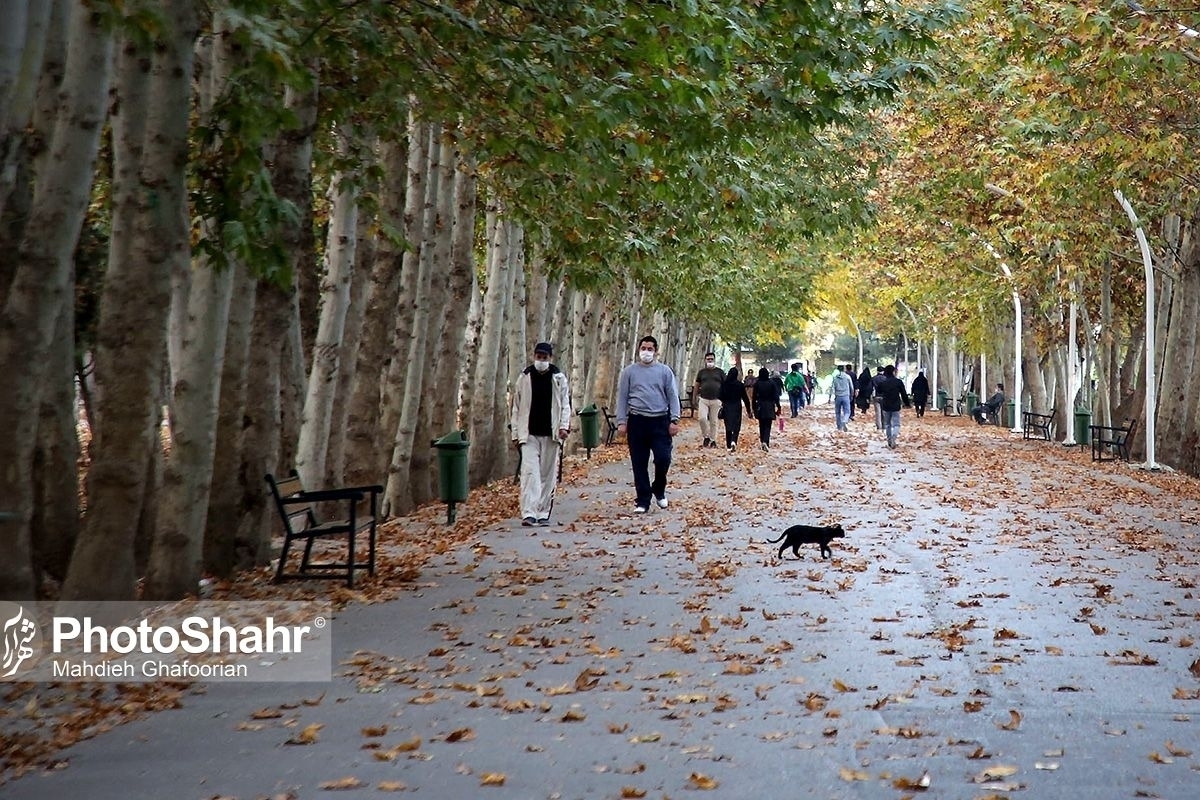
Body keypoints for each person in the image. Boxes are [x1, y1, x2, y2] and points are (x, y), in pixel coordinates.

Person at [616, 336, 681, 513]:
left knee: (663, 458)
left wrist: (674, 419)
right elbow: (622, 397)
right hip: (637, 421)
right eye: (643, 348)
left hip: (660, 421)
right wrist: (621, 422)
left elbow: (672, 396)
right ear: (638, 350)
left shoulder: (664, 371)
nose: (646, 352)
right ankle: (643, 500)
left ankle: (659, 488)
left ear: (656, 351)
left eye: (650, 349)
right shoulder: (629, 372)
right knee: (639, 463)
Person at [510, 342, 571, 526]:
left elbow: (565, 404)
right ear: (534, 356)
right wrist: (515, 433)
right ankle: (528, 512)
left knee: (547, 474)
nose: (541, 361)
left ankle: (543, 512)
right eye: (538, 357)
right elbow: (516, 407)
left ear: (550, 358)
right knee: (530, 473)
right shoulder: (525, 377)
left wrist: (564, 426)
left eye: (544, 358)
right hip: (529, 434)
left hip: (551, 434)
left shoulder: (558, 378)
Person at [692, 352, 725, 449]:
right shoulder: (702, 372)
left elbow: (725, 385)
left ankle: (713, 439)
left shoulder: (720, 372)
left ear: (714, 360)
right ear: (705, 360)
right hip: (703, 399)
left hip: (716, 399)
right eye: (708, 359)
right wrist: (694, 398)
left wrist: (724, 399)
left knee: (714, 421)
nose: (710, 361)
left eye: (711, 359)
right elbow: (697, 385)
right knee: (702, 418)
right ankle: (706, 436)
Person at [875, 364, 911, 449]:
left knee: (887, 424)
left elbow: (878, 390)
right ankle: (894, 437)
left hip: (886, 404)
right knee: (896, 424)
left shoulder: (883, 383)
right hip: (896, 405)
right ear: (893, 372)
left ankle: (889, 440)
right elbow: (903, 394)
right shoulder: (898, 382)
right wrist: (907, 403)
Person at [719, 367, 754, 451]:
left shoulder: (724, 384)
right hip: (737, 406)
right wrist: (749, 410)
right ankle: (734, 441)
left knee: (728, 425)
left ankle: (728, 445)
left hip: (727, 406)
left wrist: (723, 402)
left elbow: (720, 395)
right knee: (736, 425)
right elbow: (745, 398)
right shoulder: (740, 385)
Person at [751, 367, 782, 450]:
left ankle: (762, 441)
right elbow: (776, 396)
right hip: (769, 405)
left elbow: (754, 397)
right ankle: (766, 441)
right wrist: (778, 407)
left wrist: (753, 408)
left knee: (761, 425)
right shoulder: (771, 383)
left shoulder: (757, 383)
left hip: (760, 405)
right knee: (768, 425)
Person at [831, 364, 855, 432]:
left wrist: (831, 397)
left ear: (837, 369)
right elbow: (851, 387)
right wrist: (851, 395)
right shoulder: (847, 377)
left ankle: (839, 427)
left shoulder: (835, 378)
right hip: (846, 396)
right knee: (847, 411)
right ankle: (845, 420)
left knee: (838, 412)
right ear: (844, 369)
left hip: (838, 396)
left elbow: (832, 388)